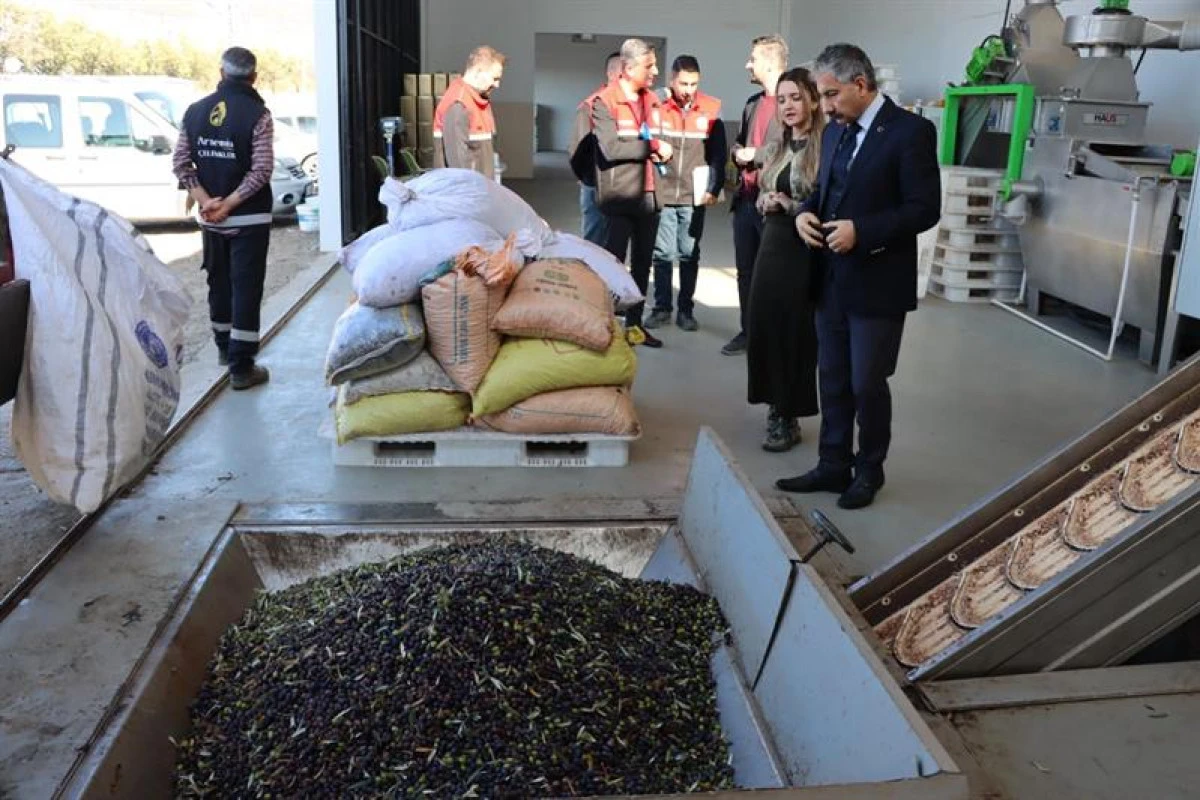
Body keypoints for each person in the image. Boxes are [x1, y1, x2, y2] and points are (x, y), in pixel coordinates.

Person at [778, 44, 941, 509]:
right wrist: (804, 215)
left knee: (866, 382)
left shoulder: (910, 133)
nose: (824, 107)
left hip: (878, 282)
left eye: (831, 95)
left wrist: (862, 232)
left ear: (862, 85)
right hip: (830, 279)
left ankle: (869, 470)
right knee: (831, 376)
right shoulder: (834, 135)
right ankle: (833, 464)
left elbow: (924, 209)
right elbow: (826, 194)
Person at [173, 46, 275, 390]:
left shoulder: (195, 112)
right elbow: (261, 170)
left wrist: (206, 201)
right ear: (253, 77)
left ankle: (223, 348)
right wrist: (230, 204)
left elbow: (181, 163)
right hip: (248, 218)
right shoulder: (258, 115)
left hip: (211, 218)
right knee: (246, 287)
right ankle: (242, 367)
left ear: (221, 73)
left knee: (218, 282)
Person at [746, 67, 824, 452]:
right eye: (782, 99)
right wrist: (765, 200)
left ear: (813, 99)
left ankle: (787, 413)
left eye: (796, 97)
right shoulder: (777, 145)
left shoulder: (826, 146)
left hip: (804, 249)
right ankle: (773, 405)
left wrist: (789, 205)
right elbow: (767, 188)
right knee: (764, 322)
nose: (789, 106)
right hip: (772, 244)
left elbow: (825, 204)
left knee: (795, 330)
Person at [591, 38, 674, 348]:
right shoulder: (604, 102)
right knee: (613, 264)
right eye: (649, 66)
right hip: (619, 197)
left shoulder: (652, 100)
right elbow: (610, 149)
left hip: (650, 196)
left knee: (642, 264)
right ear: (628, 68)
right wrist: (652, 148)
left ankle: (635, 325)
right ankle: (607, 325)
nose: (654, 72)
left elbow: (661, 139)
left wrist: (663, 150)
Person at [644, 55, 726, 333]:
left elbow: (718, 154)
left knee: (689, 253)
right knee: (663, 253)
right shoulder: (655, 105)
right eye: (683, 83)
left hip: (694, 196)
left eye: (693, 83)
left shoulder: (711, 108)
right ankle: (662, 308)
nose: (688, 89)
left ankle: (686, 311)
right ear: (671, 79)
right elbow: (638, 131)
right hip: (664, 193)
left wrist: (714, 188)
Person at [724, 34, 787, 356]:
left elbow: (795, 148)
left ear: (769, 63)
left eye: (753, 59)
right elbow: (738, 142)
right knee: (746, 271)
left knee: (773, 275)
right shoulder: (752, 103)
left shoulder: (791, 103)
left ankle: (771, 336)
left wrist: (756, 154)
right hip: (746, 200)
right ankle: (748, 331)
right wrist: (738, 152)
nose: (748, 64)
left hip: (774, 204)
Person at [570, 51, 622, 245]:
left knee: (615, 240)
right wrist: (584, 178)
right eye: (623, 72)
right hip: (596, 183)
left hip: (622, 184)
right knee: (594, 238)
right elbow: (578, 147)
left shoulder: (629, 105)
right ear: (610, 73)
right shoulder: (591, 105)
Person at [433, 46, 506, 178]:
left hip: (480, 189)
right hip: (466, 193)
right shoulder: (458, 105)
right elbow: (458, 168)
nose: (497, 85)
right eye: (494, 78)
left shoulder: (478, 101)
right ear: (478, 72)